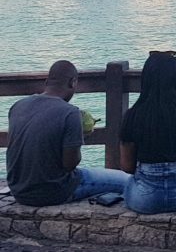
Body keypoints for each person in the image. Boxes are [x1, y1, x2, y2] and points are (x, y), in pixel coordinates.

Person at [6, 60, 129, 206]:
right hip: (54, 192)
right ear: (73, 82)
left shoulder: (18, 106)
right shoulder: (70, 112)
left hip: (19, 192)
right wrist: (78, 139)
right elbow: (70, 164)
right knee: (127, 181)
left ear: (46, 82)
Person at [120, 51, 176, 213]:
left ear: (145, 79)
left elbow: (127, 166)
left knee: (121, 184)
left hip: (145, 200)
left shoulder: (134, 114)